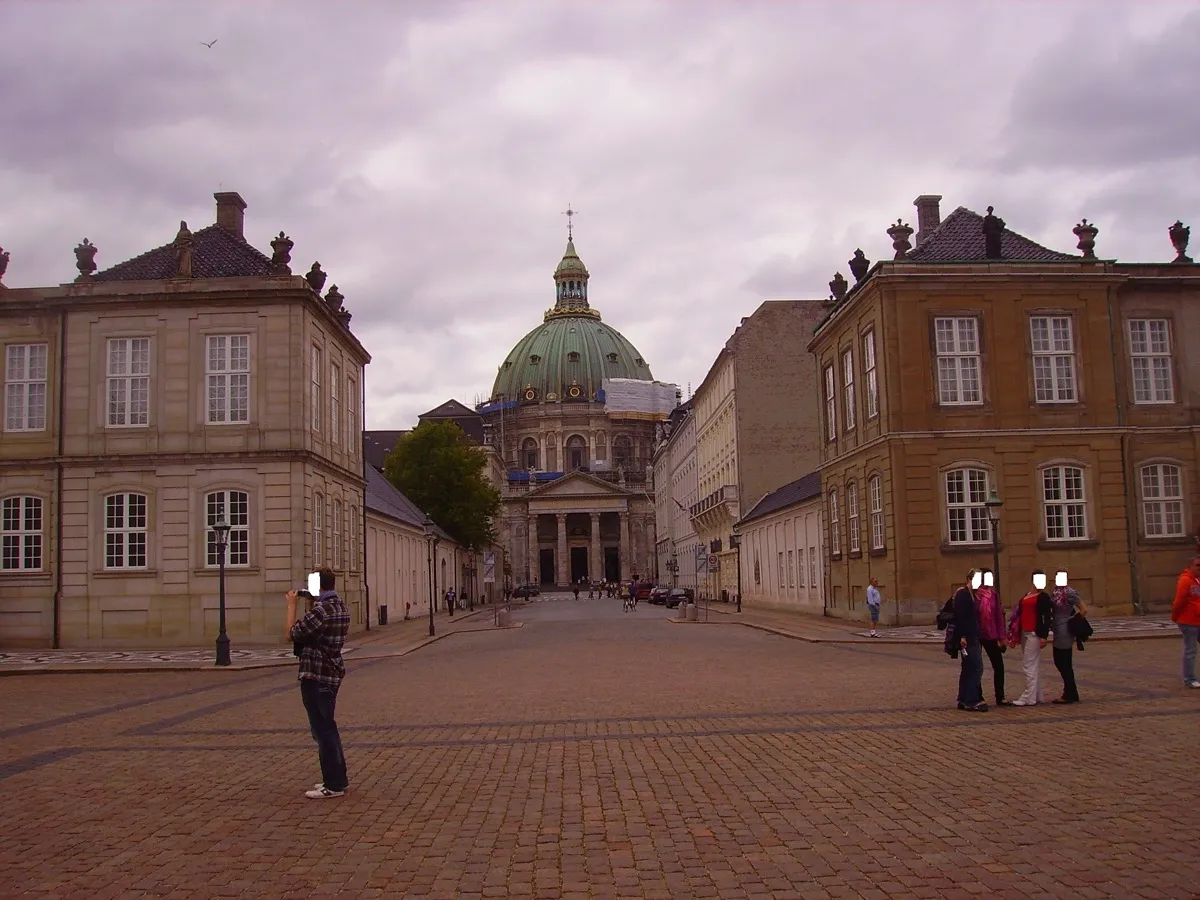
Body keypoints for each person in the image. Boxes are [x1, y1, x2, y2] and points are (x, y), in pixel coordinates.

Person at [286, 568, 350, 799]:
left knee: (322, 731)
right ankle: (338, 778)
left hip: (316, 674)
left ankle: (333, 784)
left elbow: (292, 633)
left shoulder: (321, 612)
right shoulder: (340, 606)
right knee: (328, 727)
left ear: (317, 586)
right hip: (332, 673)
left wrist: (292, 605)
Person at [1009, 571, 1053, 706]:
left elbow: (1046, 617)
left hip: (1035, 633)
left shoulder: (1043, 597)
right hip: (1024, 632)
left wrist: (1044, 636)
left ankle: (1028, 696)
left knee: (1029, 665)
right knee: (1032, 664)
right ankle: (1037, 695)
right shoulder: (1028, 595)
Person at [1049, 569, 1086, 704]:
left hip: (1065, 630)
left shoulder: (1070, 593)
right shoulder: (1056, 592)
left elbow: (1083, 609)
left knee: (1064, 662)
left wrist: (1073, 621)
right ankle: (1070, 691)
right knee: (1060, 661)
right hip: (1057, 629)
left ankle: (1070, 693)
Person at [975, 569, 1010, 705]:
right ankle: (979, 696)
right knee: (977, 666)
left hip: (991, 634)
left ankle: (1000, 696)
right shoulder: (974, 594)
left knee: (999, 666)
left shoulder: (994, 595)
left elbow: (999, 616)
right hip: (977, 635)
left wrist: (1002, 637)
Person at [954, 569, 987, 711]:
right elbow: (960, 617)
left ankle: (963, 698)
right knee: (976, 667)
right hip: (967, 637)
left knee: (967, 668)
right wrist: (962, 636)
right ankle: (971, 700)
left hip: (973, 635)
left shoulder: (973, 594)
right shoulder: (963, 594)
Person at [1171, 554, 1200, 688]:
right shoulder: (1186, 580)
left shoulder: (1198, 580)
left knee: (1191, 650)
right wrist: (1175, 616)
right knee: (1191, 650)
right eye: (1197, 565)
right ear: (1190, 566)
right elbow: (1179, 601)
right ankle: (1189, 678)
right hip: (1189, 622)